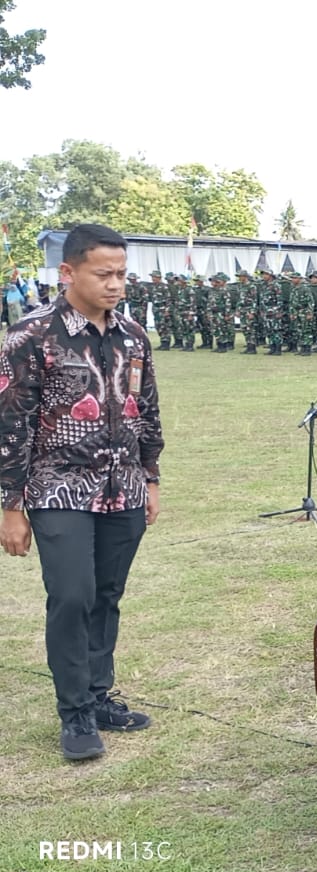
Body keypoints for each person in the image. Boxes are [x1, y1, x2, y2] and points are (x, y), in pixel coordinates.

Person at [1, 224, 165, 762]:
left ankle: (98, 696)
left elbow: (146, 409)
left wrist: (151, 477)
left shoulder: (133, 336)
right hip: (58, 488)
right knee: (72, 596)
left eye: (121, 274)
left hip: (123, 487)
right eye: (103, 274)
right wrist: (10, 505)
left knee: (106, 595)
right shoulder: (31, 336)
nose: (115, 284)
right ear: (68, 272)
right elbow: (12, 424)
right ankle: (74, 713)